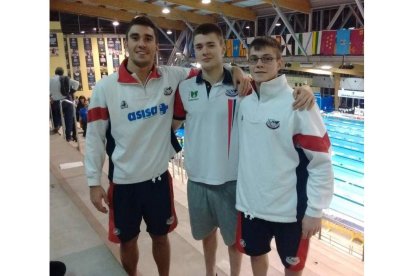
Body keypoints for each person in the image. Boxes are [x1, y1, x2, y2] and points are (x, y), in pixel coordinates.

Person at [84, 15, 250, 276]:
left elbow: (209, 69)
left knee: (161, 238)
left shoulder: (172, 77)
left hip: (158, 180)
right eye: (136, 38)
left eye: (148, 38)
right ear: (126, 43)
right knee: (127, 241)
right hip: (124, 182)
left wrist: (236, 69)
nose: (142, 44)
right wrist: (94, 182)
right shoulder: (106, 88)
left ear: (155, 45)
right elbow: (94, 137)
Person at [172, 24, 315, 276]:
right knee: (206, 236)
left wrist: (304, 90)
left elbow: (273, 93)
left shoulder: (244, 88)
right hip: (197, 179)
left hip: (232, 181)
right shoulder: (185, 86)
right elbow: (174, 122)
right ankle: (210, 273)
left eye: (211, 45)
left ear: (223, 47)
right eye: (199, 46)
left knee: (234, 242)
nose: (204, 51)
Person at [235, 36, 334, 276]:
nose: (259, 64)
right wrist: (233, 68)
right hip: (251, 205)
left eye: (267, 59)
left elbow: (321, 162)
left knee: (293, 267)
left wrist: (315, 211)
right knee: (256, 257)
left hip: (290, 212)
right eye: (254, 59)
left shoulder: (299, 104)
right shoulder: (244, 101)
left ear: (280, 63)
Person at [50, 67, 80, 141]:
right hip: (66, 101)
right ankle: (68, 136)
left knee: (56, 115)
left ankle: (57, 126)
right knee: (69, 119)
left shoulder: (50, 80)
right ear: (62, 73)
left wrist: (51, 96)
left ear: (55, 72)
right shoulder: (65, 78)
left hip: (55, 102)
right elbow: (77, 83)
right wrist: (71, 92)